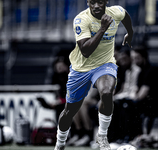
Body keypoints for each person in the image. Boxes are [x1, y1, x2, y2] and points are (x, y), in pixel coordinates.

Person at [54, 0, 133, 149]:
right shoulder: (81, 19)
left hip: (105, 65)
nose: (96, 6)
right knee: (70, 110)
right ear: (88, 2)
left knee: (107, 92)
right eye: (92, 2)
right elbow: (85, 50)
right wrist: (102, 29)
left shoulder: (115, 12)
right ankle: (60, 142)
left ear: (106, 2)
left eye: (100, 2)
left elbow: (125, 15)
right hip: (81, 68)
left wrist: (130, 32)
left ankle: (102, 137)